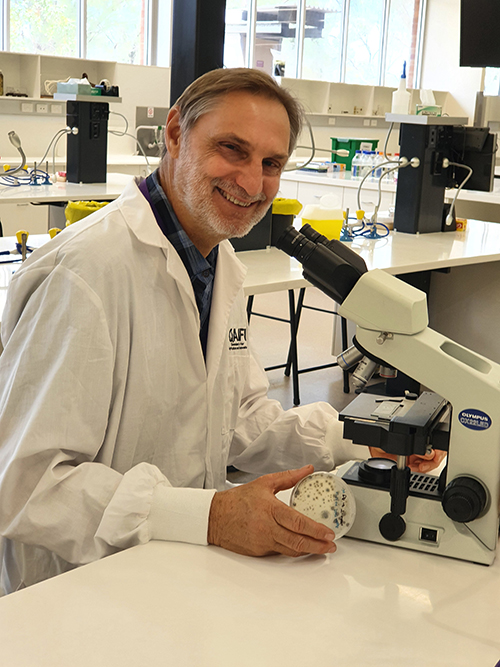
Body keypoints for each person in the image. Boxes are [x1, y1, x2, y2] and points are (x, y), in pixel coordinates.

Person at [0, 68, 444, 594]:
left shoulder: (219, 262)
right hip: (74, 593)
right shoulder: (83, 272)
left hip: (173, 575)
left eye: (271, 163)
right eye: (232, 149)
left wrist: (356, 442)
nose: (253, 183)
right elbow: (27, 485)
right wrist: (208, 516)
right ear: (173, 133)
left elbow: (235, 419)